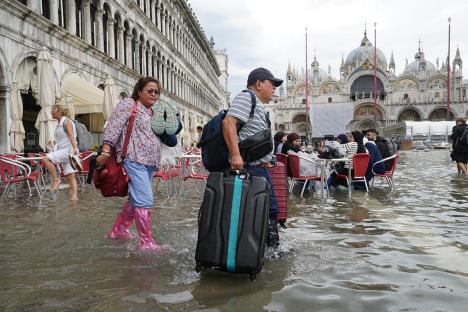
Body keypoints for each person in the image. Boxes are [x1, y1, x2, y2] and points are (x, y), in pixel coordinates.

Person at [95, 76, 165, 251]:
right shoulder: (129, 104)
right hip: (134, 159)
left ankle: (119, 230)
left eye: (157, 92)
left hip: (150, 163)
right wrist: (105, 151)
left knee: (136, 199)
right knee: (144, 200)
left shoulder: (153, 111)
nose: (154, 94)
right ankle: (146, 243)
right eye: (150, 91)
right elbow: (113, 127)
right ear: (139, 91)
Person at [222, 67, 283, 248]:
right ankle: (270, 252)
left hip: (259, 167)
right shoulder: (246, 97)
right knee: (267, 209)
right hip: (250, 168)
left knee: (266, 209)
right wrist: (235, 155)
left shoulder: (256, 103)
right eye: (272, 84)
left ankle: (263, 250)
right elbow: (228, 122)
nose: (274, 89)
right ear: (258, 84)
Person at [42, 105, 79, 200]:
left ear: (59, 112)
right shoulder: (59, 123)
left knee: (46, 159)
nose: (51, 113)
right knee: (71, 176)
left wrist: (75, 148)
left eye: (52, 111)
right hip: (64, 150)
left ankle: (56, 180)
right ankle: (74, 198)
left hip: (68, 150)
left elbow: (71, 135)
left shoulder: (66, 122)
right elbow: (63, 137)